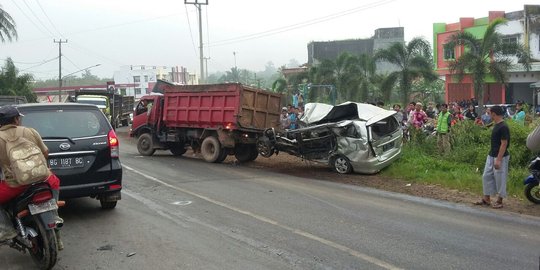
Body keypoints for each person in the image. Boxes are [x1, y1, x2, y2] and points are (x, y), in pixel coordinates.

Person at [0, 106, 63, 248]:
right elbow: (45, 153)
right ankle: (55, 220)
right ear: (16, 119)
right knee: (55, 181)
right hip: (42, 179)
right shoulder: (30, 131)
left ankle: (6, 230)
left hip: (15, 185)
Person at [475, 106, 510, 209]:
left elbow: (504, 144)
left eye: (490, 113)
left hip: (501, 156)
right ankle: (486, 198)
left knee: (500, 178)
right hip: (491, 155)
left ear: (494, 114)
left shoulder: (503, 126)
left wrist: (499, 160)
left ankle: (500, 200)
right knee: (486, 176)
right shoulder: (496, 125)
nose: (489, 115)